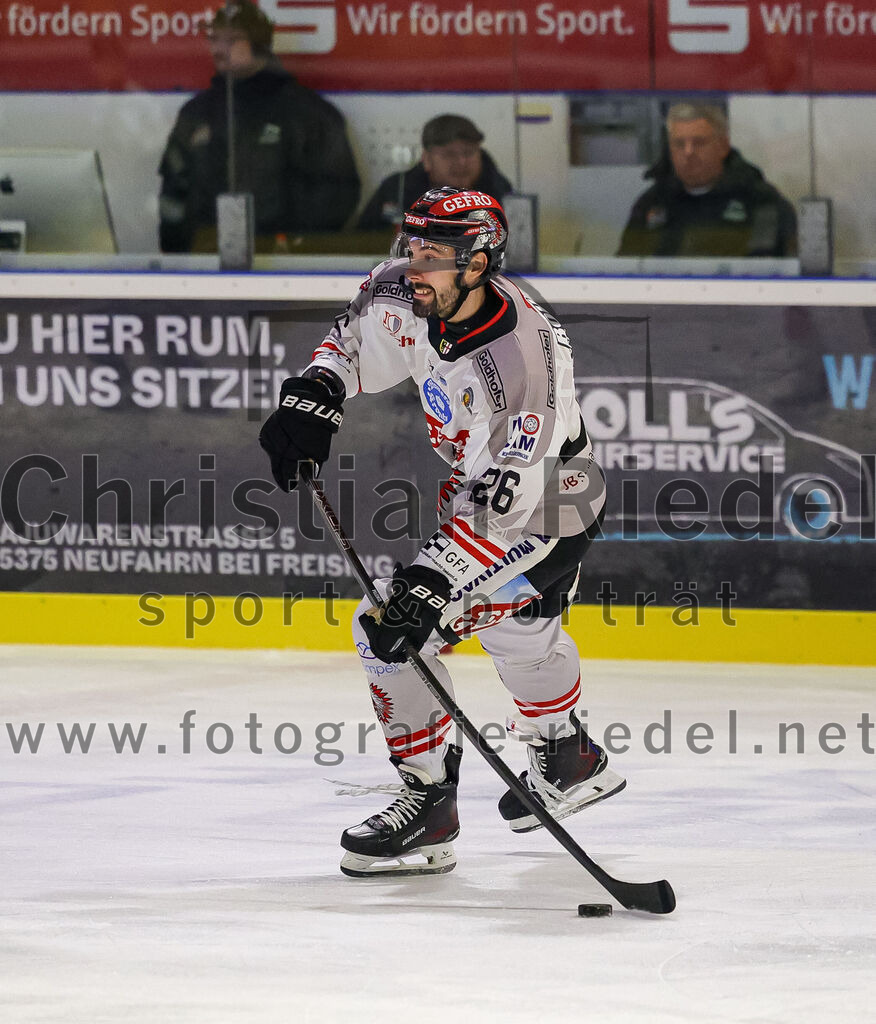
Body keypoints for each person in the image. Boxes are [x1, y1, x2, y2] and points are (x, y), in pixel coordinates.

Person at [259, 187, 625, 877]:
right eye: (413, 246)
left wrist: (432, 580)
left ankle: (428, 805)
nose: (413, 265)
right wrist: (318, 394)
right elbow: (349, 340)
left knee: (388, 627)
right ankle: (568, 757)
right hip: (489, 492)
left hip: (548, 507)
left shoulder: (526, 360)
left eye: (432, 254)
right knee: (519, 631)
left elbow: (508, 501)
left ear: (478, 263)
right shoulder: (404, 287)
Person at [158, 0, 360, 253]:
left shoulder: (306, 113)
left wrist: (292, 243)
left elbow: (340, 192)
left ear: (259, 43)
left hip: (284, 264)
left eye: (232, 40)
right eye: (214, 39)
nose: (218, 48)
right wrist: (179, 256)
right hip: (205, 260)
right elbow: (173, 189)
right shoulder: (197, 113)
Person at [617, 102, 797, 258]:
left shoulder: (761, 202)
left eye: (699, 143)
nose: (688, 152)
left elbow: (777, 269)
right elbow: (626, 268)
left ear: (723, 146)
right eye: (679, 144)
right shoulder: (652, 203)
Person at [356, 114, 513, 232]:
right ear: (426, 159)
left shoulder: (499, 191)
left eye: (469, 152)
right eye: (449, 154)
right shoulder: (397, 190)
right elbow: (365, 243)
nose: (462, 162)